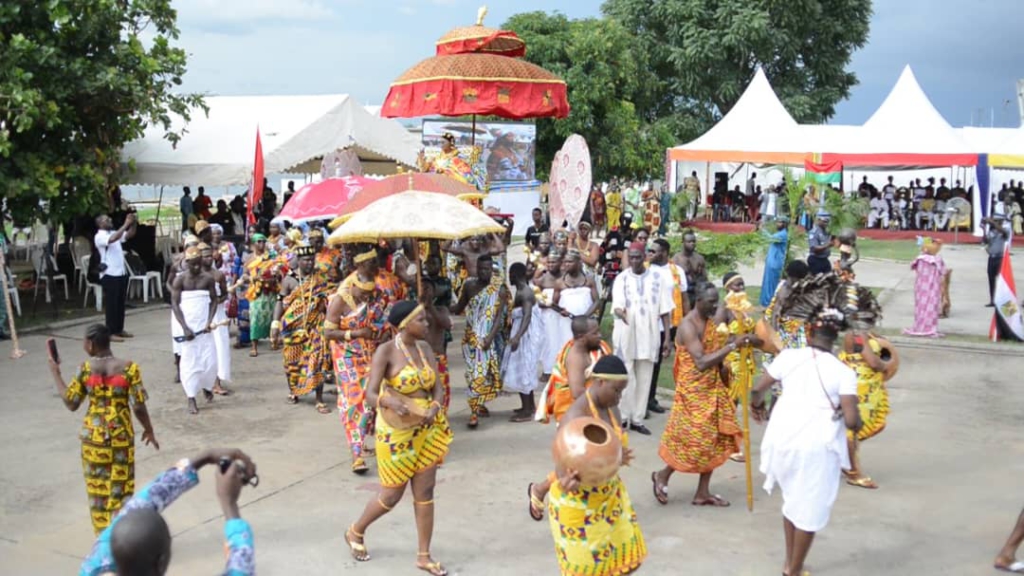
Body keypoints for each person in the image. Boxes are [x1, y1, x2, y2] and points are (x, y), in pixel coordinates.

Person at [344, 301, 453, 576]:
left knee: (425, 492)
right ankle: (356, 530)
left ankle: (424, 556)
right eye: (422, 321)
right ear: (405, 325)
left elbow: (438, 388)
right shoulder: (386, 351)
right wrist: (390, 402)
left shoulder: (426, 349)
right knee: (391, 495)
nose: (428, 325)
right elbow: (368, 394)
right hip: (395, 431)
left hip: (427, 428)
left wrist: (435, 408)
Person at [751, 307, 862, 576]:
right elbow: (852, 421)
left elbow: (757, 390)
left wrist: (758, 406)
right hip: (816, 447)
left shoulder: (789, 357)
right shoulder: (843, 372)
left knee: (792, 501)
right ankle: (793, 570)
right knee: (809, 510)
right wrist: (850, 414)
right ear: (836, 336)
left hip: (782, 440)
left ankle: (791, 564)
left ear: (810, 330)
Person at [48, 324, 158, 535]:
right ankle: (120, 538)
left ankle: (102, 540)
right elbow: (138, 406)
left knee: (98, 493)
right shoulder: (129, 369)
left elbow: (71, 402)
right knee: (121, 490)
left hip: (92, 440)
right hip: (121, 439)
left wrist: (56, 374)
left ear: (90, 344)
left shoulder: (85, 369)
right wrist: (149, 430)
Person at [79, 448, 257, 576]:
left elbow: (144, 501)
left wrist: (205, 457)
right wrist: (229, 503)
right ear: (161, 562)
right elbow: (241, 569)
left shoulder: (94, 564)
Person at [547, 355, 647, 576]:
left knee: (627, 559)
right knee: (590, 571)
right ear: (599, 382)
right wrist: (566, 482)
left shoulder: (611, 408)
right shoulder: (574, 418)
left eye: (622, 391)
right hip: (578, 507)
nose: (619, 397)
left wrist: (618, 457)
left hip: (609, 497)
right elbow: (562, 469)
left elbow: (609, 449)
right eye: (616, 390)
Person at [653, 283, 747, 507]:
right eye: (710, 302)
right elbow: (702, 362)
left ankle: (702, 492)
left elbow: (716, 350)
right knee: (691, 439)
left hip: (713, 388)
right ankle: (662, 475)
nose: (715, 306)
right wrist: (732, 347)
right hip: (693, 392)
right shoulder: (688, 325)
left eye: (717, 301)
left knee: (714, 439)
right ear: (698, 301)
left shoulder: (711, 321)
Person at [528, 316, 613, 520]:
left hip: (592, 412)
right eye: (595, 333)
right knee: (573, 466)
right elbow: (577, 393)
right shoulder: (576, 356)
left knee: (586, 463)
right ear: (582, 337)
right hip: (575, 417)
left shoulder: (592, 348)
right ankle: (540, 490)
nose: (600, 336)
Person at [326, 255, 382, 473]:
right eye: (363, 294)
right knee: (352, 403)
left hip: (368, 355)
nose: (366, 297)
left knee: (369, 401)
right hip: (346, 358)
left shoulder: (371, 297)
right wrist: (356, 333)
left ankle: (362, 443)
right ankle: (356, 454)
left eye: (369, 294)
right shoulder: (341, 300)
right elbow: (328, 332)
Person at [612, 242, 673, 436]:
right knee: (626, 373)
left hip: (649, 331)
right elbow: (617, 305)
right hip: (627, 331)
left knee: (645, 374)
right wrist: (621, 313)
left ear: (645, 257)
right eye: (632, 257)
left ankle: (637, 418)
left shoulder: (657, 278)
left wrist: (667, 339)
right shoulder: (621, 278)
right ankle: (623, 417)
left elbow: (665, 309)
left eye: (638, 257)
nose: (635, 261)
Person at [271, 245, 332, 413]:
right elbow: (280, 301)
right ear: (298, 261)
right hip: (292, 327)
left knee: (318, 360)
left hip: (316, 325)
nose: (309, 263)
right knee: (292, 361)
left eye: (312, 259)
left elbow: (328, 300)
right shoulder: (289, 280)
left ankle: (319, 399)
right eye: (305, 260)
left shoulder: (320, 278)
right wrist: (275, 324)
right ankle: (294, 391)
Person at [453, 255, 508, 429]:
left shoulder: (499, 289)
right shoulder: (469, 286)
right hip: (470, 338)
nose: (484, 272)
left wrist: (489, 338)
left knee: (480, 374)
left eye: (487, 269)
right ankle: (478, 402)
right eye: (481, 269)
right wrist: (434, 306)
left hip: (487, 340)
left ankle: (474, 412)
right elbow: (459, 308)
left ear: (492, 270)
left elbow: (499, 317)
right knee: (472, 375)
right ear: (476, 269)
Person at [838, 331, 889, 489]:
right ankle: (854, 472)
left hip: (864, 383)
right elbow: (872, 362)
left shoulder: (863, 332)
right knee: (853, 430)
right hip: (860, 385)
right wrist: (885, 366)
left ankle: (847, 462)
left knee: (854, 431)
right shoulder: (857, 332)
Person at [170, 246, 219, 415]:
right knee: (190, 362)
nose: (197, 267)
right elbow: (175, 304)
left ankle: (206, 386)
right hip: (188, 328)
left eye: (199, 264)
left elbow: (214, 300)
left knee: (209, 361)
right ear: (187, 263)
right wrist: (184, 328)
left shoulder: (208, 279)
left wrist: (209, 321)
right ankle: (191, 397)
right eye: (194, 265)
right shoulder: (180, 280)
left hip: (204, 328)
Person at [647, 238, 688, 416]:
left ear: (664, 253)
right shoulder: (646, 269)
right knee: (646, 362)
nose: (650, 254)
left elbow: (684, 297)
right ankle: (642, 400)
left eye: (653, 251)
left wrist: (685, 322)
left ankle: (651, 398)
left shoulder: (676, 271)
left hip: (669, 323)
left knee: (657, 363)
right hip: (649, 323)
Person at [502, 263, 544, 422]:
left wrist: (518, 337)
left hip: (524, 336)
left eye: (510, 274)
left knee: (524, 370)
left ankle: (527, 411)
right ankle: (528, 405)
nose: (509, 277)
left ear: (515, 274)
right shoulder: (521, 290)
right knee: (522, 370)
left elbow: (527, 316)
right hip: (520, 333)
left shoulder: (525, 292)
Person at [94, 213, 137, 340]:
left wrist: (133, 223)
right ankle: (110, 332)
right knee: (111, 304)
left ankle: (119, 329)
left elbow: (129, 235)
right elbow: (112, 239)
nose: (110, 220)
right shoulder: (99, 236)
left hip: (120, 272)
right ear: (100, 224)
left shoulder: (114, 232)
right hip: (109, 274)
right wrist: (125, 224)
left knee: (120, 303)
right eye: (107, 219)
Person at [200, 243, 232, 396]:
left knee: (220, 347)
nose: (207, 259)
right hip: (201, 315)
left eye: (209, 255)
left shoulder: (218, 275)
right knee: (204, 348)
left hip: (218, 315)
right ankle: (204, 381)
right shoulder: (195, 276)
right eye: (204, 256)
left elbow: (225, 294)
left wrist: (218, 301)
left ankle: (217, 382)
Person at [241, 233, 280, 357]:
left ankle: (273, 340)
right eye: (259, 242)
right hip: (256, 292)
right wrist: (254, 278)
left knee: (273, 316)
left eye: (263, 241)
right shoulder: (250, 259)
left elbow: (279, 270)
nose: (261, 244)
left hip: (271, 290)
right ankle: (254, 346)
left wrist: (275, 274)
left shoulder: (271, 257)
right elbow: (244, 275)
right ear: (253, 244)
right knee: (255, 317)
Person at [904, 237, 947, 337]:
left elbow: (913, 267)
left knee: (921, 307)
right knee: (931, 307)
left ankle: (920, 326)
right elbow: (944, 272)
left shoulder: (919, 259)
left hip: (921, 287)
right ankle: (929, 327)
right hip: (933, 287)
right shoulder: (937, 260)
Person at [535, 250, 570, 376]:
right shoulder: (541, 280)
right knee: (550, 342)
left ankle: (564, 369)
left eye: (553, 262)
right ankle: (548, 370)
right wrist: (554, 306)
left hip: (564, 314)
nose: (550, 265)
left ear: (560, 263)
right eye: (548, 262)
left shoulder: (566, 277)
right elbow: (539, 302)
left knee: (564, 340)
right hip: (549, 315)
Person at [553, 249, 599, 320]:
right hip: (565, 321)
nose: (567, 264)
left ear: (579, 262)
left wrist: (585, 317)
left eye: (570, 262)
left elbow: (596, 301)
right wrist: (563, 312)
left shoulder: (589, 281)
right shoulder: (559, 282)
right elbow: (554, 303)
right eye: (565, 262)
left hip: (585, 321)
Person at [673, 230, 707, 309]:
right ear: (682, 242)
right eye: (689, 242)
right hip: (683, 293)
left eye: (694, 241)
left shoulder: (699, 258)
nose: (692, 244)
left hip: (697, 292)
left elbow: (705, 278)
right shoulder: (676, 259)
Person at [760, 217, 790, 306]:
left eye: (779, 222)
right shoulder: (779, 233)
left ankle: (770, 304)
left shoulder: (783, 234)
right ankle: (765, 303)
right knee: (767, 283)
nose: (777, 224)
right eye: (777, 222)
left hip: (775, 262)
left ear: (784, 224)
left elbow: (770, 238)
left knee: (771, 284)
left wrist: (762, 229)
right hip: (771, 261)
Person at [984, 214, 1011, 307]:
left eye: (997, 221)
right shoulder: (991, 232)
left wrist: (991, 222)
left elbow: (1004, 233)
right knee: (991, 279)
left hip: (1000, 258)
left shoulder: (1005, 231)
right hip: (991, 257)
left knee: (1002, 281)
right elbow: (985, 241)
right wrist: (984, 228)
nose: (995, 222)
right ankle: (992, 300)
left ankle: (1004, 301)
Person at [807, 209, 832, 274]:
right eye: (824, 221)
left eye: (828, 221)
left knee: (830, 279)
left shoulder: (826, 232)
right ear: (818, 220)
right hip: (816, 260)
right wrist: (827, 245)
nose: (826, 223)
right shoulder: (814, 232)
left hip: (825, 259)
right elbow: (814, 248)